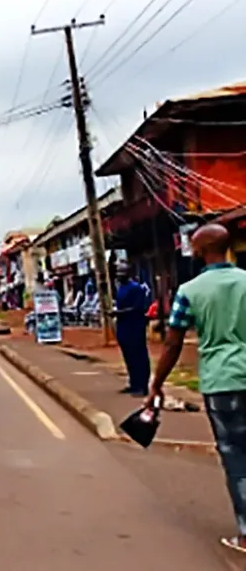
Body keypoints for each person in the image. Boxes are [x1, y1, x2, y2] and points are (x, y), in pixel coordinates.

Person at [146, 223, 246, 554]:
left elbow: (173, 343)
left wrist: (156, 384)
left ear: (200, 251)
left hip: (222, 382)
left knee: (235, 457)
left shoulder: (190, 291)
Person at [113, 266, 151, 396]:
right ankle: (133, 383)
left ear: (128, 274)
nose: (119, 275)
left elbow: (137, 308)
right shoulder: (120, 288)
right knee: (128, 357)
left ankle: (142, 386)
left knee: (138, 356)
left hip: (134, 326)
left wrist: (119, 312)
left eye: (122, 272)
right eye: (118, 272)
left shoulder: (135, 288)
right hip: (123, 327)